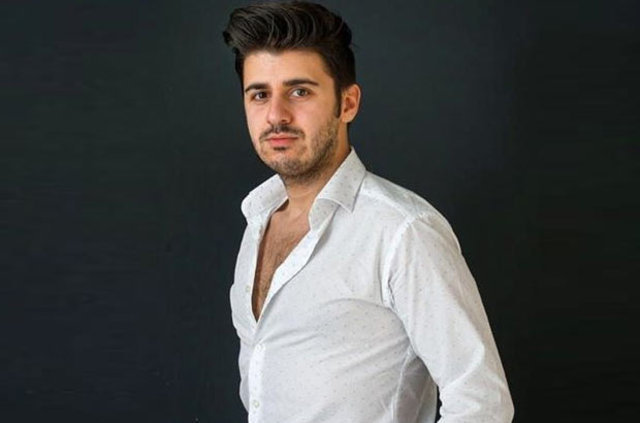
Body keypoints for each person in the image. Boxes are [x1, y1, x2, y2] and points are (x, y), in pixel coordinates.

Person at [223, 2, 514, 422]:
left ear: (348, 103)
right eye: (259, 94)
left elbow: (482, 402)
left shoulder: (402, 231)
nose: (276, 115)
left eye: (300, 91)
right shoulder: (257, 222)